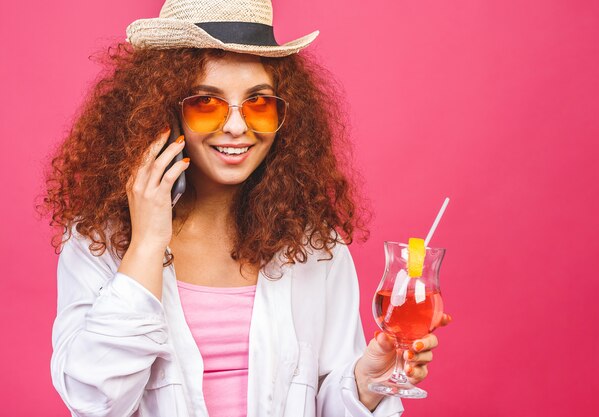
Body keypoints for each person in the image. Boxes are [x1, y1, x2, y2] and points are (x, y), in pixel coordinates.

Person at [42, 1, 450, 416]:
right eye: (206, 103)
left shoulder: (314, 248)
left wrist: (366, 381)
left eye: (258, 103)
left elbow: (326, 402)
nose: (237, 127)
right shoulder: (100, 243)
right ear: (164, 111)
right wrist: (146, 245)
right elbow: (93, 400)